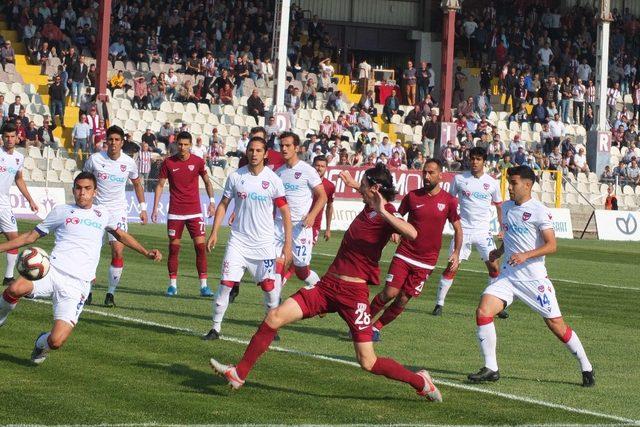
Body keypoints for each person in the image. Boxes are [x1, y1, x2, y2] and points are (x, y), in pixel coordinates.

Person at [209, 164, 443, 402]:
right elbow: (368, 196)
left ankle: (421, 382)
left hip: (354, 295)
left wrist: (384, 210)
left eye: (363, 185)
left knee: (368, 361)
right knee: (274, 317)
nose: (358, 188)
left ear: (374, 188)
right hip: (327, 287)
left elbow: (413, 233)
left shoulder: (386, 211)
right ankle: (239, 374)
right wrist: (356, 185)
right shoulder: (368, 205)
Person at [0, 172, 161, 364]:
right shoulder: (62, 211)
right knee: (14, 289)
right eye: (78, 188)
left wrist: (145, 252)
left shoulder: (103, 214)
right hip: (52, 271)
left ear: (95, 192)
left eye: (87, 189)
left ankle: (41, 344)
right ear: (73, 190)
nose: (82, 193)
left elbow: (121, 235)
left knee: (56, 341)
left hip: (78, 285)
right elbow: (30, 237)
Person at [468, 165, 594, 387]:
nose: (510, 188)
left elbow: (552, 245)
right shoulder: (506, 207)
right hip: (508, 276)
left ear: (528, 185)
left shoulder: (539, 210)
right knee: (483, 311)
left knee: (556, 325)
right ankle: (491, 368)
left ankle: (586, 365)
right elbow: (510, 236)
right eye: (509, 183)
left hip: (534, 280)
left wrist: (526, 255)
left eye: (514, 183)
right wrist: (499, 251)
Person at [202, 137, 292, 340]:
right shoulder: (236, 177)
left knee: (270, 289)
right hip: (238, 242)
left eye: (259, 150)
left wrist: (287, 244)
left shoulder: (274, 180)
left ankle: (271, 328)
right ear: (247, 152)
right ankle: (215, 328)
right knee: (226, 284)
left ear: (266, 153)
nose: (254, 154)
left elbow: (285, 212)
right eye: (251, 150)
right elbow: (224, 204)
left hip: (264, 245)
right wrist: (215, 231)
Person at [368, 159, 462, 341]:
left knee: (403, 298)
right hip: (405, 253)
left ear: (440, 176)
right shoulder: (412, 197)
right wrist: (395, 230)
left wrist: (456, 253)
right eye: (424, 172)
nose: (426, 176)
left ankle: (377, 327)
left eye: (431, 173)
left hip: (427, 261)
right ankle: (362, 324)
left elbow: (458, 228)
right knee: (390, 293)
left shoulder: (449, 201)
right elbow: (396, 216)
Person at [434, 147, 508, 318]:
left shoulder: (492, 182)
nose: (475, 162)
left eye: (478, 159)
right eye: (472, 159)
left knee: (494, 266)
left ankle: (496, 306)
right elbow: (449, 201)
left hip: (483, 231)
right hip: (463, 230)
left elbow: (499, 206)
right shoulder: (459, 179)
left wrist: (502, 228)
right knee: (452, 266)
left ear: (484, 161)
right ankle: (439, 304)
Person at [82, 125, 148, 307]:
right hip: (95, 211)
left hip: (117, 211)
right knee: (90, 252)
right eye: (110, 139)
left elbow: (137, 184)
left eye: (117, 140)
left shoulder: (129, 163)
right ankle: (87, 290)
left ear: (122, 142)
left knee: (118, 250)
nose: (113, 143)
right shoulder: (94, 160)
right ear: (106, 141)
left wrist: (143, 208)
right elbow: (84, 182)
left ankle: (110, 293)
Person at [152, 131, 216, 297]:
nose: (183, 147)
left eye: (186, 144)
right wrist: (154, 207)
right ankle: (172, 285)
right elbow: (160, 185)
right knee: (174, 249)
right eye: (180, 144)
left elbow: (208, 182)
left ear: (191, 145)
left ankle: (204, 286)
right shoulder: (168, 163)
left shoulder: (198, 162)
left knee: (200, 248)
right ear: (176, 144)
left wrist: (212, 202)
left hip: (195, 212)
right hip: (176, 213)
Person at [272, 132, 327, 292]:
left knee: (302, 271)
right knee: (276, 267)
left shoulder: (307, 170)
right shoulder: (278, 173)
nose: (284, 148)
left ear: (296, 148)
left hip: (299, 227)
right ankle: (273, 305)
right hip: (279, 226)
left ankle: (320, 290)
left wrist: (311, 216)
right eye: (281, 145)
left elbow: (322, 197)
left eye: (288, 145)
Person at [0, 123, 39, 285]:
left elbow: (19, 179)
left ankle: (8, 277)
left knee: (13, 238)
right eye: (6, 136)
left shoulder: (18, 158)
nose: (9, 139)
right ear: (2, 138)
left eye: (12, 136)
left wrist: (30, 199)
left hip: (4, 203)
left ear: (17, 138)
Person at [311, 155, 335, 244]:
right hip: (297, 222)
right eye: (317, 165)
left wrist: (328, 229)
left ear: (326, 168)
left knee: (304, 256)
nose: (319, 168)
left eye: (322, 166)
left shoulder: (330, 186)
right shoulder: (303, 182)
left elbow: (329, 207)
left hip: (314, 226)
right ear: (312, 166)